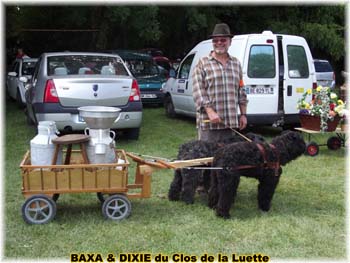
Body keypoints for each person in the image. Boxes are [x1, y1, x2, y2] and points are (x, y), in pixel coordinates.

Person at [192, 23, 248, 143]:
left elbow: (241, 91)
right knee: (206, 161)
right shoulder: (202, 63)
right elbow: (198, 92)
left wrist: (243, 115)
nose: (219, 43)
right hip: (209, 125)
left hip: (230, 125)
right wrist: (210, 111)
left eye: (223, 40)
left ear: (230, 41)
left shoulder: (236, 64)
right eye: (215, 40)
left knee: (230, 160)